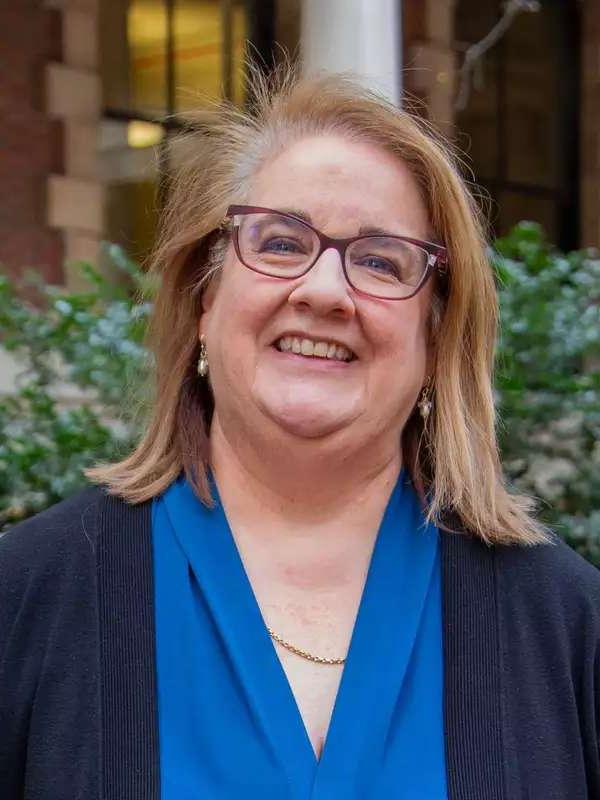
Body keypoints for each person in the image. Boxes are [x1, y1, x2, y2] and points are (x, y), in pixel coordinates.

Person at [1, 67, 599, 800]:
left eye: (380, 261)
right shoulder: (28, 595)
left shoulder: (564, 625)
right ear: (203, 300)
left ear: (437, 340)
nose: (323, 291)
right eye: (280, 243)